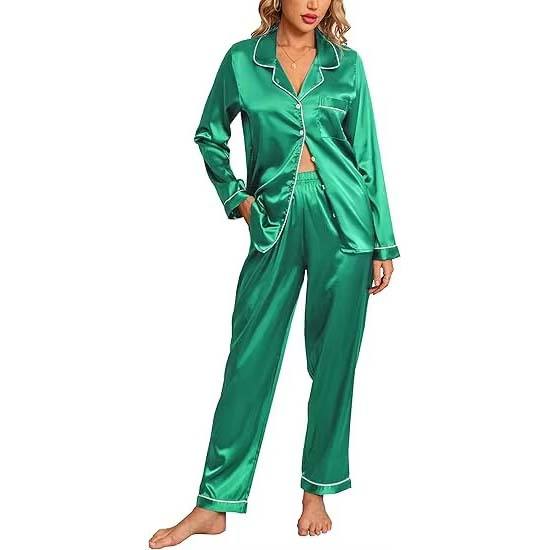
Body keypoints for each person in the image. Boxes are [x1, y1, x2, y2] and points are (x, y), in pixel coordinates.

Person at [149, 0, 400, 546]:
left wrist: (383, 241)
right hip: (273, 218)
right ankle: (214, 502)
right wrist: (238, 199)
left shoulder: (347, 66)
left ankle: (317, 491)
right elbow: (209, 134)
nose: (313, 4)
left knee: (334, 363)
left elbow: (367, 155)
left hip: (346, 223)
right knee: (249, 358)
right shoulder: (243, 60)